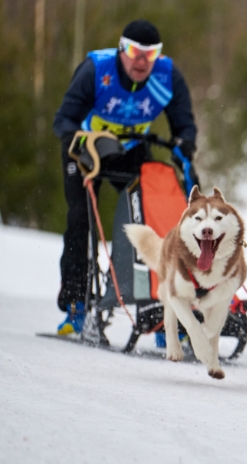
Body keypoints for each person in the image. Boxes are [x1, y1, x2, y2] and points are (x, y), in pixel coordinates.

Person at [53, 20, 199, 334]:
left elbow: (184, 125)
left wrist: (184, 143)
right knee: (81, 220)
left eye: (150, 54)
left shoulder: (166, 75)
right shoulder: (97, 70)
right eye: (134, 51)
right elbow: (64, 119)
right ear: (121, 49)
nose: (141, 61)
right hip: (87, 148)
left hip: (132, 149)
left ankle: (159, 309)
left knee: (152, 220)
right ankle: (76, 306)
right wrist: (77, 140)